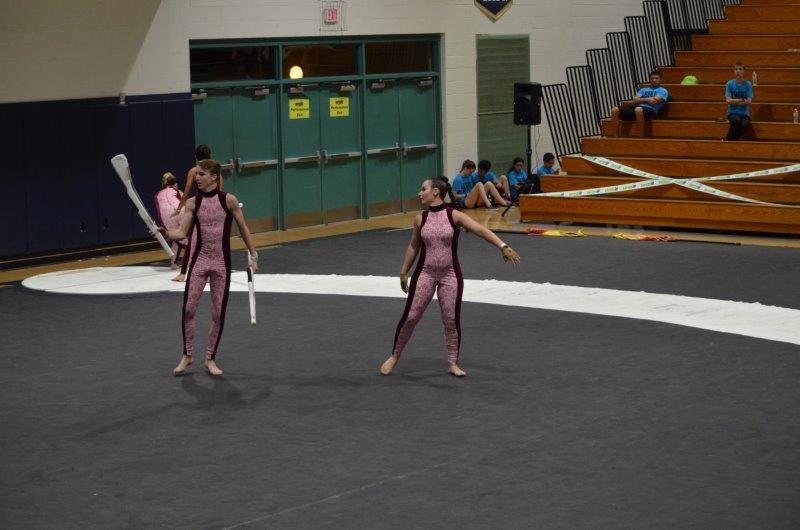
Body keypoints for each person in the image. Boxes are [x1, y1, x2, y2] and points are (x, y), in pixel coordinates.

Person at [380, 177, 521, 378]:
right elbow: (413, 246)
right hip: (425, 273)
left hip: (450, 274)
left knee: (451, 319)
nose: (419, 193)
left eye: (423, 189)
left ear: (435, 192)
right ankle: (394, 356)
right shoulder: (420, 219)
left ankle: (452, 362)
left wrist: (503, 246)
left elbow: (480, 229)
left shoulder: (454, 215)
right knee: (410, 317)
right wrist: (404, 272)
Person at [155, 159, 259, 377]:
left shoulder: (229, 200)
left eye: (201, 174)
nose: (197, 178)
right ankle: (188, 355)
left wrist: (254, 256)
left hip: (221, 264)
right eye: (197, 174)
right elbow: (181, 233)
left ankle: (210, 358)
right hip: (199, 262)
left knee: (218, 313)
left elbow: (243, 228)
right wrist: (165, 233)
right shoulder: (193, 203)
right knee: (188, 309)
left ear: (214, 177)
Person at [610, 70, 668, 138]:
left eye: (656, 78)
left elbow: (654, 102)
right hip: (637, 109)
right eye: (652, 78)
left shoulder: (663, 91)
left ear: (660, 79)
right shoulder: (643, 90)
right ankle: (615, 136)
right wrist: (648, 99)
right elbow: (635, 100)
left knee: (638, 109)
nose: (654, 80)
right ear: (650, 79)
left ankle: (640, 137)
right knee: (615, 110)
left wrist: (641, 100)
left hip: (651, 111)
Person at [154, 172, 189, 279]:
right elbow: (186, 201)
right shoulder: (176, 190)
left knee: (176, 238)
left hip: (166, 217)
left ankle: (174, 263)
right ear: (174, 184)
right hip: (179, 212)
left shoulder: (158, 194)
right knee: (185, 238)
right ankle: (193, 260)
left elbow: (159, 209)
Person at [725, 62, 753, 141]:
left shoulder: (748, 84)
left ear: (744, 72)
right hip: (732, 112)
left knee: (745, 124)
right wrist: (740, 100)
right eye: (736, 69)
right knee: (736, 121)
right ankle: (728, 141)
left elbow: (749, 101)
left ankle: (732, 141)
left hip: (744, 113)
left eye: (740, 69)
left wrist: (734, 101)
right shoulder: (729, 84)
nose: (738, 71)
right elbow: (728, 100)